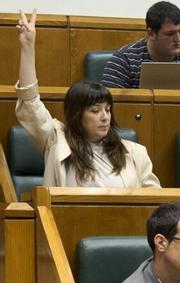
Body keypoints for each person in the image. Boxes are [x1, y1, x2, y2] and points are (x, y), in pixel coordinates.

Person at [14, 11, 159, 189]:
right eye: (95, 110)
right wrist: (28, 48)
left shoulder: (135, 153)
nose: (105, 117)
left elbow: (155, 203)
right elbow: (30, 103)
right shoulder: (56, 140)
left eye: (107, 109)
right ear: (77, 115)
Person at [102, 2, 180, 91]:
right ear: (151, 33)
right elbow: (109, 105)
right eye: (170, 34)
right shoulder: (124, 60)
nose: (178, 39)